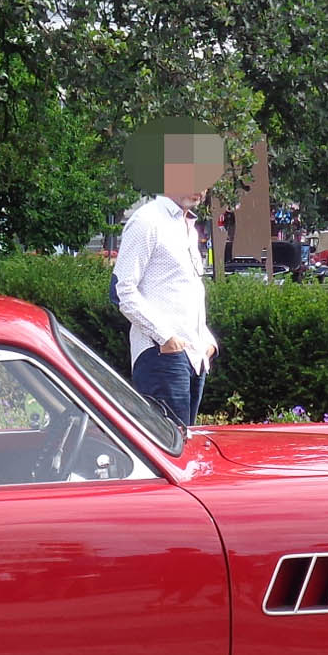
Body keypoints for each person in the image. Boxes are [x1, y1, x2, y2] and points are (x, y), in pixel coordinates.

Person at [112, 119, 227, 427]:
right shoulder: (147, 221)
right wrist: (166, 338)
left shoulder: (186, 228)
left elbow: (185, 291)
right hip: (161, 355)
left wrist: (207, 340)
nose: (201, 188)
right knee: (166, 452)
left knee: (184, 447)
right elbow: (122, 290)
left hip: (193, 357)